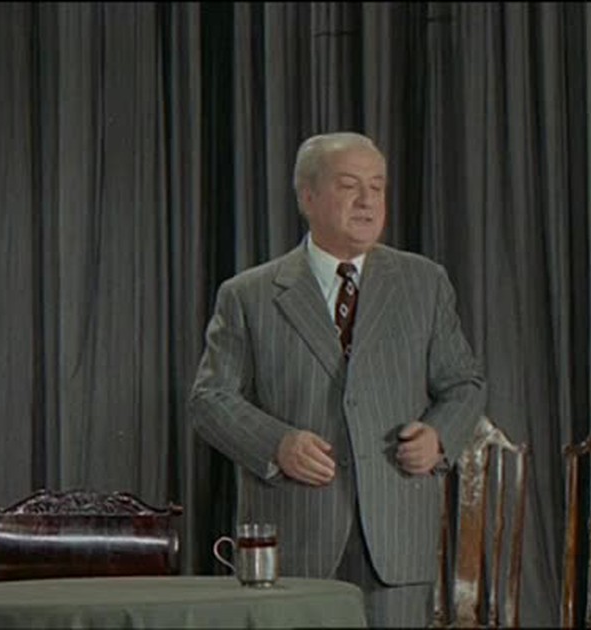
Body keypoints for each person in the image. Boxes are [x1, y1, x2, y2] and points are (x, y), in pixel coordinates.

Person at [189, 131, 486, 627]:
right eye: (349, 186)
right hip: (295, 542)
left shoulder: (424, 283)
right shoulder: (248, 295)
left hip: (396, 542)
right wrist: (277, 444)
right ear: (307, 197)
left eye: (377, 187)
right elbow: (209, 399)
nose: (367, 201)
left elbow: (464, 384)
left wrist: (438, 437)